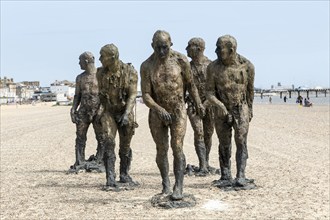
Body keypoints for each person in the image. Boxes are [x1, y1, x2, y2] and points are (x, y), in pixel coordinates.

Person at [140, 30, 205, 200]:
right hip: (157, 112)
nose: (161, 52)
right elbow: (146, 94)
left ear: (171, 45)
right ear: (152, 46)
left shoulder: (181, 60)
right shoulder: (147, 65)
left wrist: (198, 103)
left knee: (177, 147)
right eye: (158, 48)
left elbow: (191, 85)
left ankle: (179, 186)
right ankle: (165, 184)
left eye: (165, 47)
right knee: (161, 149)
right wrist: (159, 109)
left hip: (177, 109)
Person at [206, 35, 255, 188]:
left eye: (219, 49)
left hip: (241, 107)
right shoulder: (212, 68)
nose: (215, 51)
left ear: (231, 50)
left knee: (241, 140)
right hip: (221, 109)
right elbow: (209, 92)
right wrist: (220, 107)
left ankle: (241, 175)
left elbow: (250, 90)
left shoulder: (247, 66)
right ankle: (225, 174)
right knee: (224, 142)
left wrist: (250, 109)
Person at [97, 44, 138, 188]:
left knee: (125, 146)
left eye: (103, 56)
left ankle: (124, 174)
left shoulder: (130, 72)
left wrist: (127, 114)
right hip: (109, 112)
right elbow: (101, 95)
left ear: (112, 57)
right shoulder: (100, 73)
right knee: (109, 141)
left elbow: (133, 95)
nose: (100, 59)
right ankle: (110, 178)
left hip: (124, 111)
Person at [70, 51, 104, 172]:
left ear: (86, 61)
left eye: (80, 61)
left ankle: (100, 160)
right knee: (80, 137)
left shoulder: (101, 75)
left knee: (101, 137)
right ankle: (79, 160)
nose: (79, 64)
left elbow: (105, 95)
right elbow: (77, 96)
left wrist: (101, 110)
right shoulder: (80, 78)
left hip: (98, 110)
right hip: (83, 111)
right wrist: (73, 109)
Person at [185, 37, 215, 175]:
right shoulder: (187, 67)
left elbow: (216, 89)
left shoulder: (211, 66)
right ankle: (202, 165)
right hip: (193, 105)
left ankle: (206, 162)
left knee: (208, 134)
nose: (186, 49)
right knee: (199, 133)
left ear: (198, 48)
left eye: (189, 46)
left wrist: (205, 104)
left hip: (210, 104)